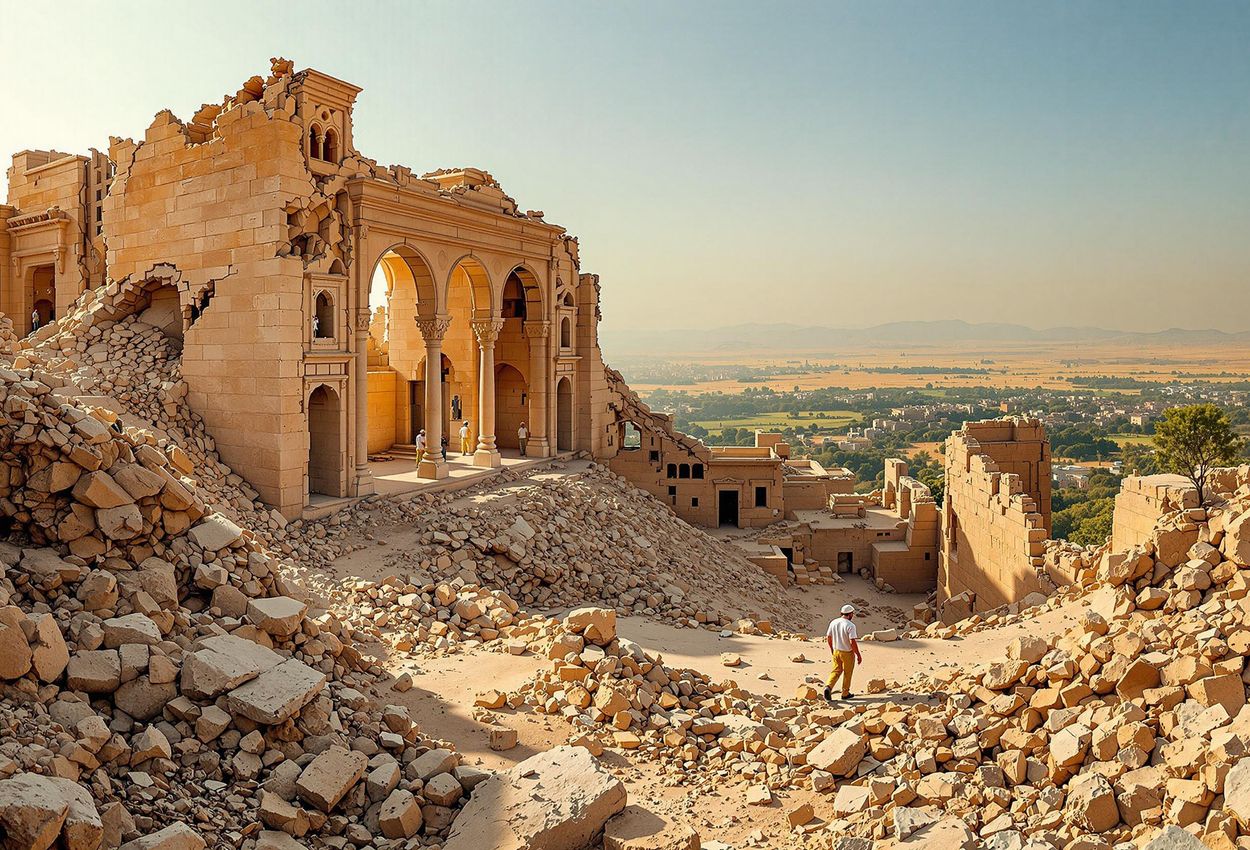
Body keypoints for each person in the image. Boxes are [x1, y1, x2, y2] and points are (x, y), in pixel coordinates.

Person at [825, 604, 861, 701]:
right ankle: (845, 693)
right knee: (847, 673)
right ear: (849, 614)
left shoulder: (834, 622)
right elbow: (852, 642)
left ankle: (828, 686)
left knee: (836, 671)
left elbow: (829, 637)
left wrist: (832, 649)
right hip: (847, 652)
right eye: (852, 614)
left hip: (836, 650)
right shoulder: (850, 625)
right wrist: (858, 654)